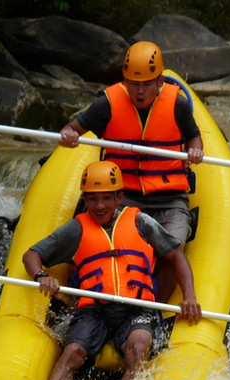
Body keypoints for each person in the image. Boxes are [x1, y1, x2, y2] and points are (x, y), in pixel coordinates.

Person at [23, 160, 202, 380]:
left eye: (107, 198)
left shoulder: (140, 222)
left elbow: (176, 256)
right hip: (94, 309)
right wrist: (40, 276)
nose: (99, 206)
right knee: (73, 353)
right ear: (84, 200)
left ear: (119, 198)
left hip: (136, 307)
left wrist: (190, 296)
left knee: (138, 349)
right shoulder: (76, 229)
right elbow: (31, 255)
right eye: (93, 198)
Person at [58, 41, 203, 303]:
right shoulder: (108, 103)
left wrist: (195, 151)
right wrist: (68, 135)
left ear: (160, 81)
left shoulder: (177, 105)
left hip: (170, 198)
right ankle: (86, 301)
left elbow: (194, 137)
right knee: (97, 239)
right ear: (125, 81)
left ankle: (152, 309)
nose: (139, 90)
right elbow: (74, 128)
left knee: (173, 248)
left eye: (146, 83)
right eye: (133, 84)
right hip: (123, 196)